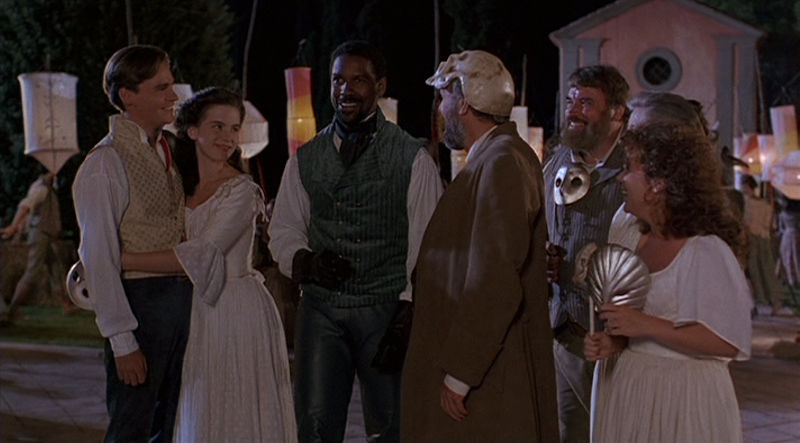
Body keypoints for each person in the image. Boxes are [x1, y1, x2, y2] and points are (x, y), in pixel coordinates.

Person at [268, 40, 443, 443]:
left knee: (392, 428)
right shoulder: (305, 158)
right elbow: (284, 230)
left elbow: (427, 244)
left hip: (385, 310)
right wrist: (306, 262)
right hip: (321, 311)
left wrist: (408, 312)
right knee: (314, 426)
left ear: (380, 86)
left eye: (358, 80)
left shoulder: (412, 159)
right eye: (337, 80)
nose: (345, 90)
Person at [119, 87, 297, 443]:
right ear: (192, 130)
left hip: (234, 308)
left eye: (234, 129)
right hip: (193, 307)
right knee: (198, 404)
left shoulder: (241, 191)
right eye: (217, 127)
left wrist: (120, 259)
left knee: (234, 405)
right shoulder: (179, 186)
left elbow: (200, 255)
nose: (227, 137)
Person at [401, 49, 558, 443]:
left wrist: (461, 373)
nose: (440, 110)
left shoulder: (502, 162)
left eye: (444, 98)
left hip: (490, 376)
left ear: (463, 104)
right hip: (487, 368)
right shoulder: (494, 157)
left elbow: (495, 275)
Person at [584, 123, 751, 443]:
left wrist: (644, 325)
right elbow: (643, 328)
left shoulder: (704, 250)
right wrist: (616, 343)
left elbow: (727, 340)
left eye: (630, 168)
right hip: (635, 389)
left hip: (684, 397)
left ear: (657, 184)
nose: (621, 178)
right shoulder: (637, 239)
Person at [72, 45, 191, 443]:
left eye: (171, 85)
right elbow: (98, 257)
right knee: (130, 429)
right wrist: (122, 340)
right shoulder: (105, 163)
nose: (173, 96)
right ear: (128, 95)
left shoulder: (164, 150)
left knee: (171, 426)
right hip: (140, 307)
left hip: (179, 306)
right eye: (161, 88)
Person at [542, 64, 630, 443]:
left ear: (617, 113)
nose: (574, 110)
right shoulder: (558, 160)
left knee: (615, 432)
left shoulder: (633, 169)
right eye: (571, 101)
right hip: (562, 329)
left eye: (587, 102)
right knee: (569, 433)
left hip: (615, 340)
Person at [1, 170, 74, 325]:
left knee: (55, 268)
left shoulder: (48, 188)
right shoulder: (41, 188)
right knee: (32, 272)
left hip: (47, 235)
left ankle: (66, 304)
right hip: (41, 235)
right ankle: (11, 311)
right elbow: (26, 207)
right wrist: (14, 227)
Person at [742, 174, 786, 316]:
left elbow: (747, 222)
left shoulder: (749, 202)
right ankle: (773, 298)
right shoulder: (765, 203)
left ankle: (766, 298)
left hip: (754, 237)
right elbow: (769, 224)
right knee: (766, 268)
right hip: (764, 236)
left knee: (756, 269)